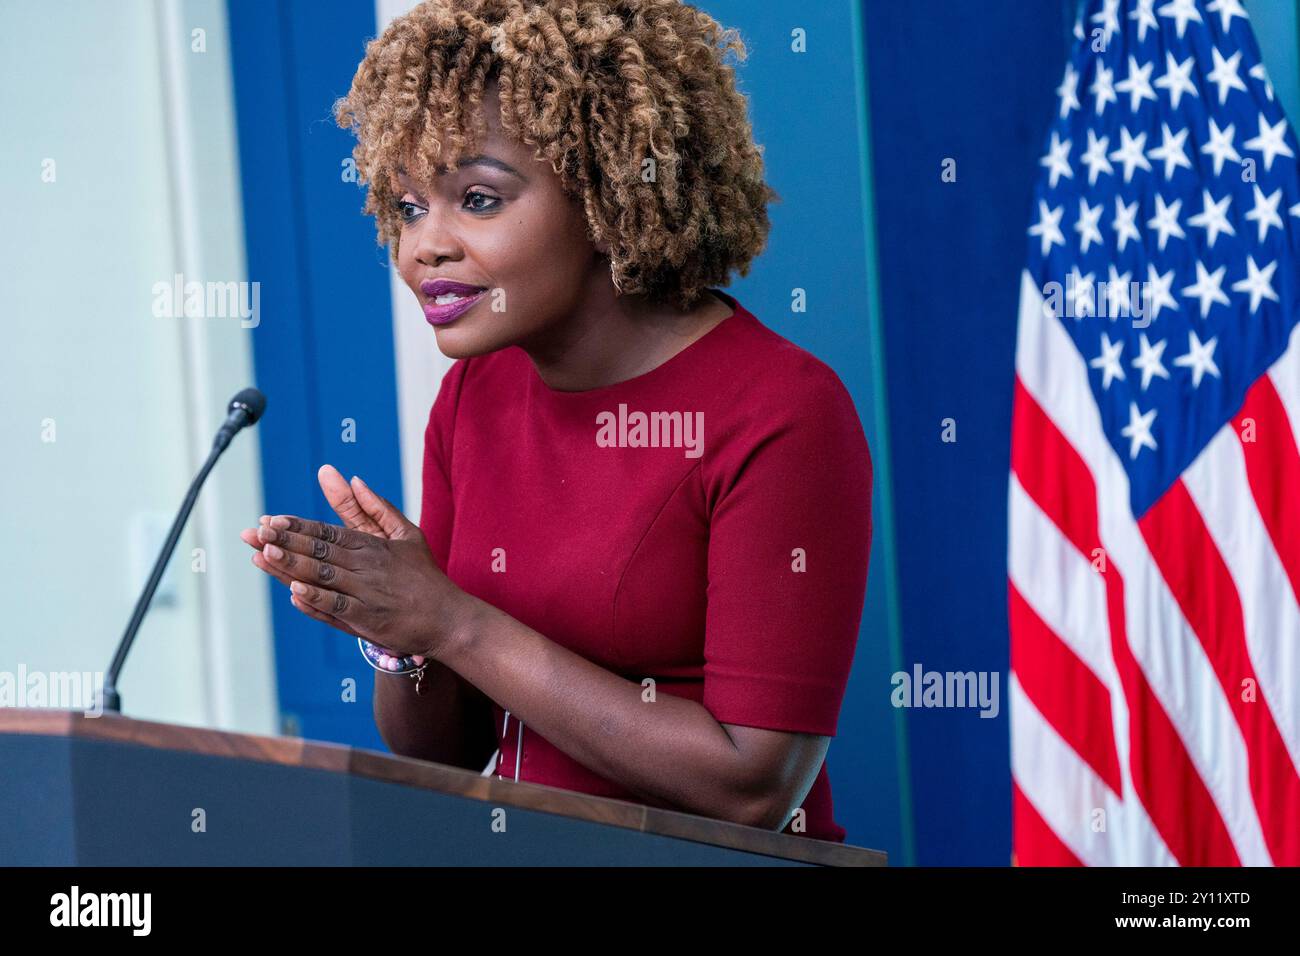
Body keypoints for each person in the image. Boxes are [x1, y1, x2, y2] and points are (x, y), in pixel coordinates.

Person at [240, 0, 872, 843]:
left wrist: (455, 620)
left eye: (476, 197)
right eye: (405, 208)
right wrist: (397, 629)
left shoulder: (780, 412)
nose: (423, 245)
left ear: (608, 191)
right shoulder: (475, 398)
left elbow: (752, 784)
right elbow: (448, 753)